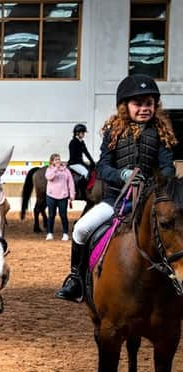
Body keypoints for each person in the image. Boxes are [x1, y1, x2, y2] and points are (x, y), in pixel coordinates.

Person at [55, 74, 178, 303]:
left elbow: (167, 168)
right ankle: (76, 280)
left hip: (150, 201)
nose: (144, 109)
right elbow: (103, 166)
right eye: (138, 104)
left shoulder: (160, 133)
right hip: (116, 200)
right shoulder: (114, 131)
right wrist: (121, 175)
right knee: (81, 228)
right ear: (125, 107)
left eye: (149, 104)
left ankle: (175, 280)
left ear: (155, 105)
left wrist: (156, 184)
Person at [44, 153, 75, 241]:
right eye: (56, 160)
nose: (58, 161)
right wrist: (56, 169)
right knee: (51, 215)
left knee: (63, 215)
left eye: (59, 159)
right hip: (51, 196)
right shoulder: (49, 169)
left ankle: (65, 233)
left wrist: (72, 194)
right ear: (52, 161)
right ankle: (49, 233)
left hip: (63, 196)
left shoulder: (66, 170)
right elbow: (49, 177)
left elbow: (71, 182)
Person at [67, 123, 95, 199]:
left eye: (84, 133)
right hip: (73, 163)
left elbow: (86, 153)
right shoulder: (73, 142)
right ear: (77, 133)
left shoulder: (81, 142)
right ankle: (81, 191)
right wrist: (82, 163)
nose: (84, 134)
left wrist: (92, 162)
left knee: (90, 170)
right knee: (85, 173)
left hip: (79, 162)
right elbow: (73, 156)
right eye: (82, 133)